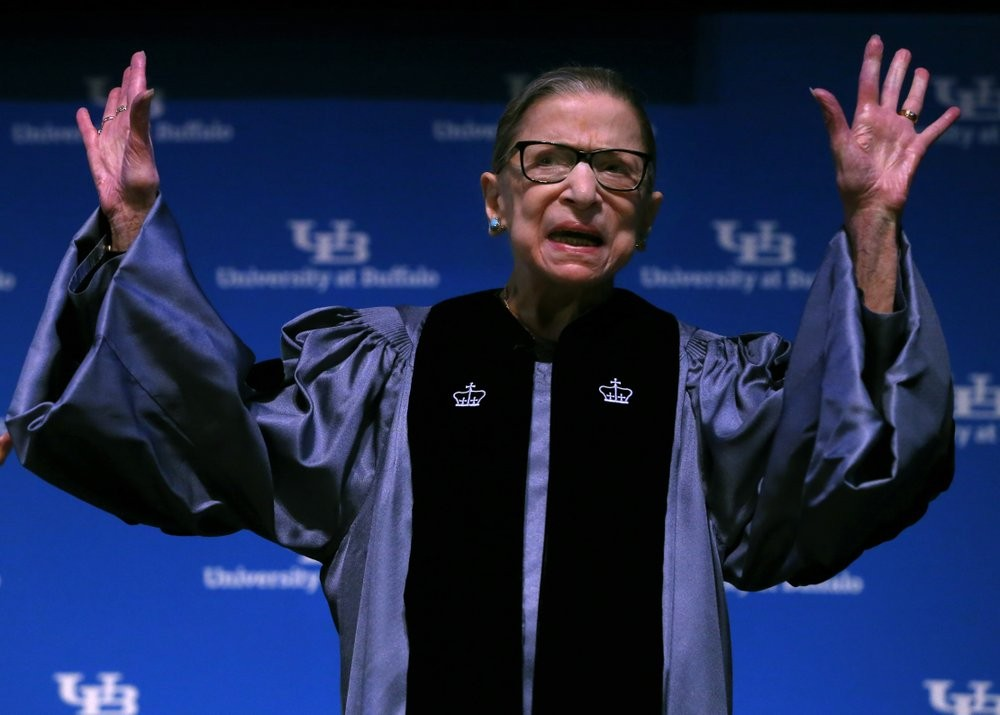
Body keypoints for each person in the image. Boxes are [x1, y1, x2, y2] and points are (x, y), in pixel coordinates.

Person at [2, 35, 959, 715]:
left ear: (648, 214)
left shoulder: (701, 386)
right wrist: (132, 224)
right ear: (496, 198)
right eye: (550, 161)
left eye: (617, 169)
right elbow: (217, 437)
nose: (583, 189)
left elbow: (846, 468)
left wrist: (872, 225)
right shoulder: (389, 372)